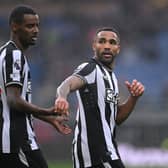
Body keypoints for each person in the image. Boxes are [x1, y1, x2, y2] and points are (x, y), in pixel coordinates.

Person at [55, 27, 145, 168]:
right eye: (102, 41)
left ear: (118, 49)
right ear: (94, 46)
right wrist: (61, 97)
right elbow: (67, 84)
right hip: (95, 153)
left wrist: (133, 98)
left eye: (112, 42)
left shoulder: (112, 79)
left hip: (107, 150)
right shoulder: (90, 69)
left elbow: (116, 118)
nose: (107, 46)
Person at [0, 5, 71, 168]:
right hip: (17, 141)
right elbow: (13, 100)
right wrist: (46, 111)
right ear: (14, 27)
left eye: (37, 25)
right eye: (30, 26)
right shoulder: (14, 55)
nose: (36, 30)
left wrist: (48, 119)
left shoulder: (4, 53)